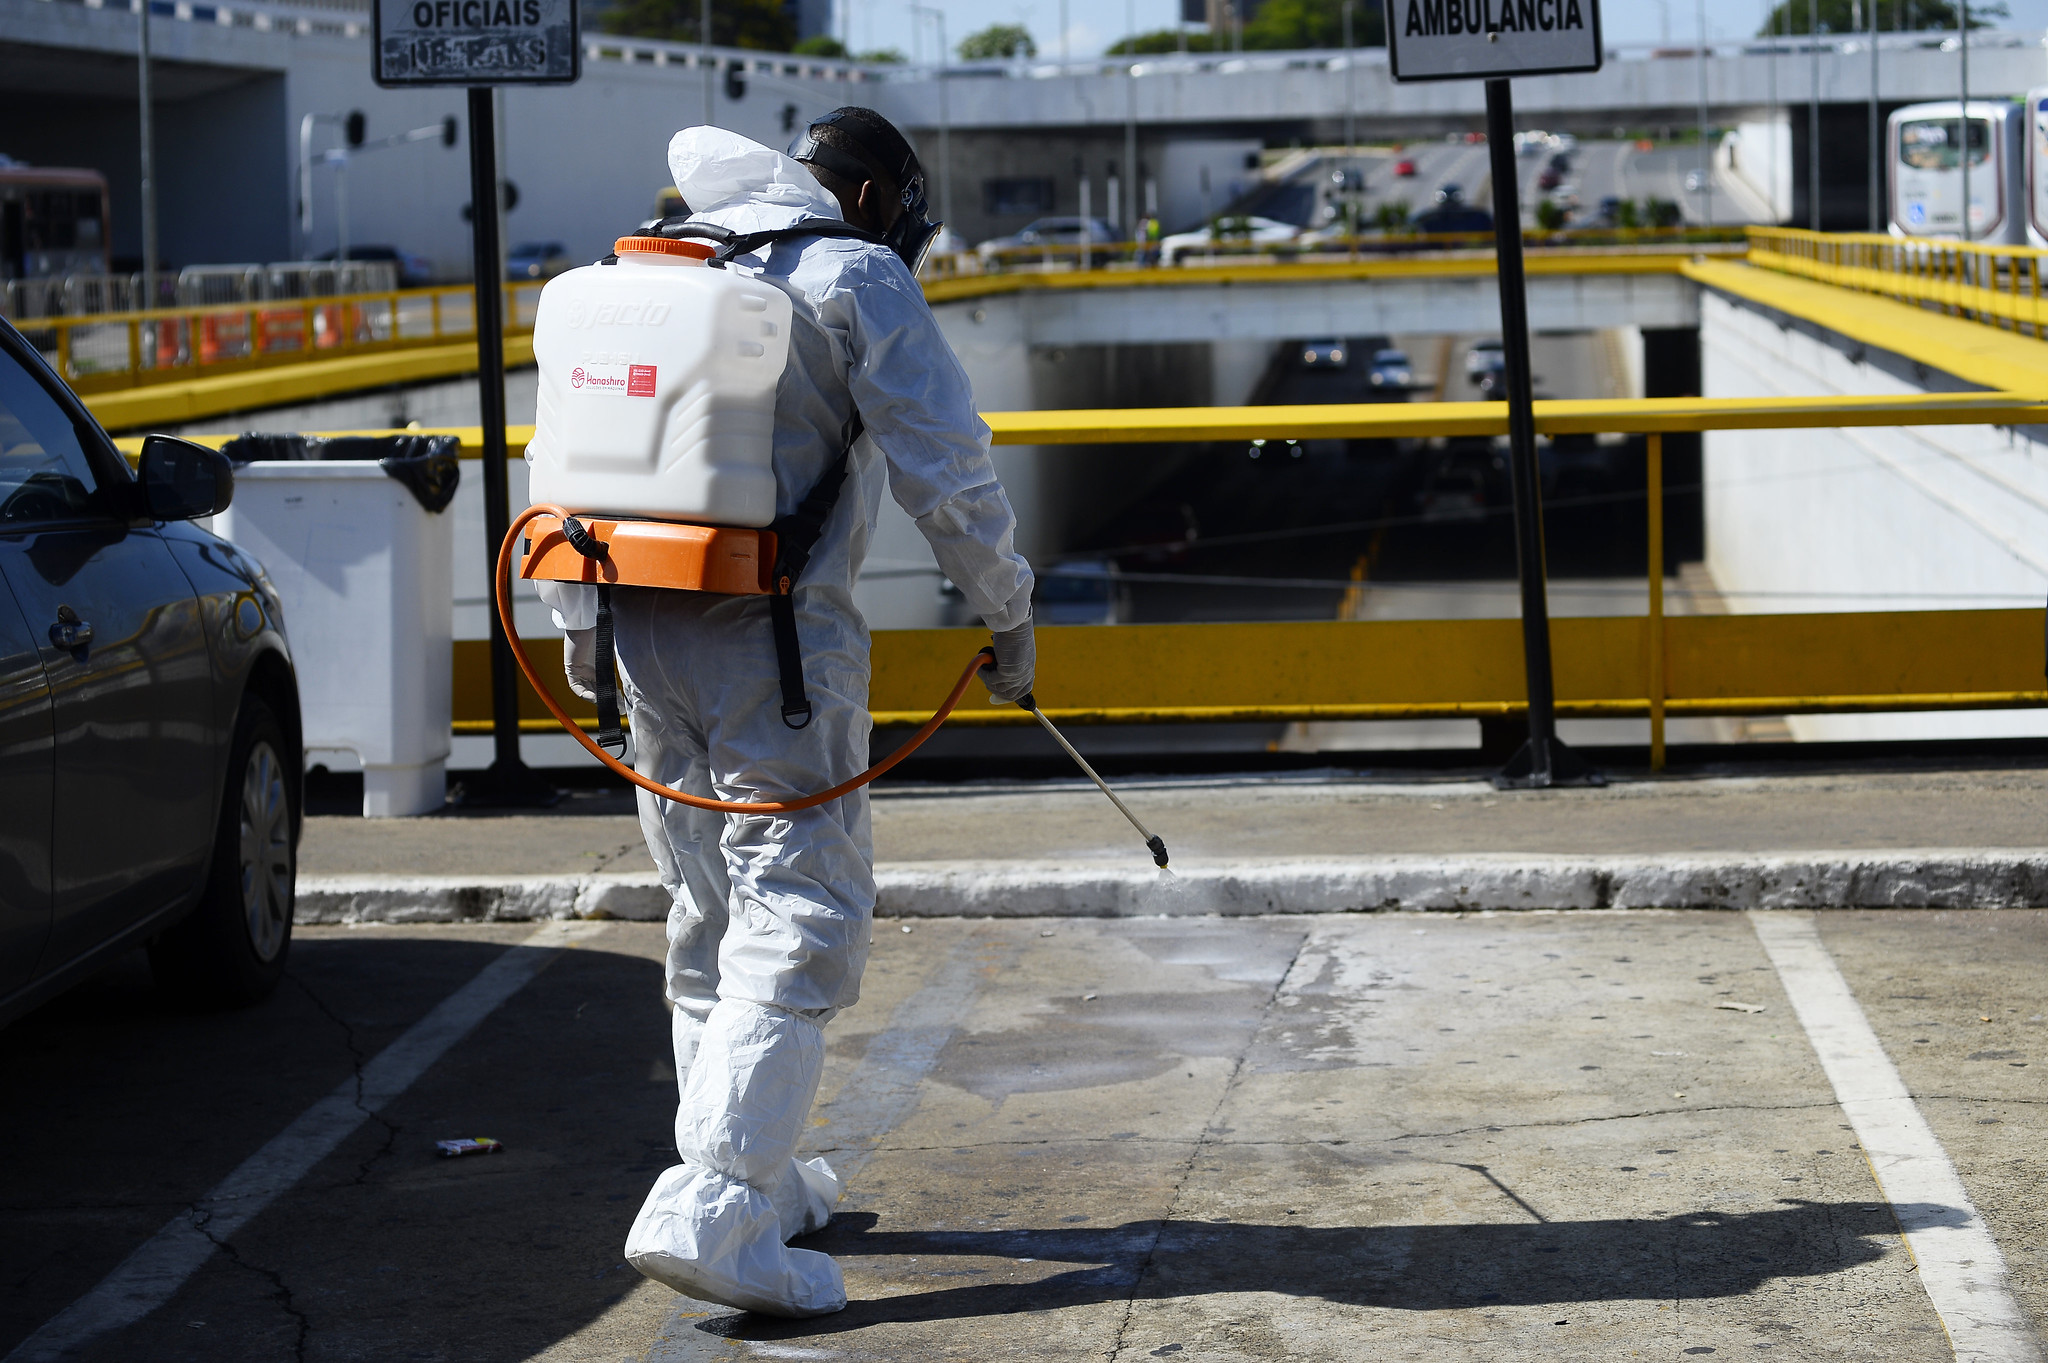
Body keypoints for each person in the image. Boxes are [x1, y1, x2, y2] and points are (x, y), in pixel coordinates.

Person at [551, 111, 1036, 1318]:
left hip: (635, 629)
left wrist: (581, 642)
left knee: (710, 908)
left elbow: (571, 466)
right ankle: (715, 1202)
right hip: (773, 645)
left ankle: (759, 1184)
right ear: (873, 198)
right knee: (800, 908)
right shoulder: (850, 272)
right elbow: (948, 469)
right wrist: (1007, 614)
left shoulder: (652, 262)